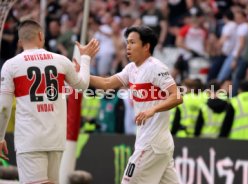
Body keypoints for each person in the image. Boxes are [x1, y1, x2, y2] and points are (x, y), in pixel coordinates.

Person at [0, 20, 99, 184]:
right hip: (56, 139)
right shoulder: (61, 61)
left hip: (30, 139)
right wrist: (86, 58)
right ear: (41, 36)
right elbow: (82, 86)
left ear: (19, 41)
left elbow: (4, 107)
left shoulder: (11, 65)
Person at [89, 26, 182, 183]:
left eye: (132, 42)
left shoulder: (155, 67)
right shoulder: (131, 69)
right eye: (127, 42)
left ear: (146, 46)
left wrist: (153, 109)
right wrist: (81, 73)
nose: (128, 46)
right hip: (157, 144)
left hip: (151, 143)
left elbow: (177, 96)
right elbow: (106, 83)